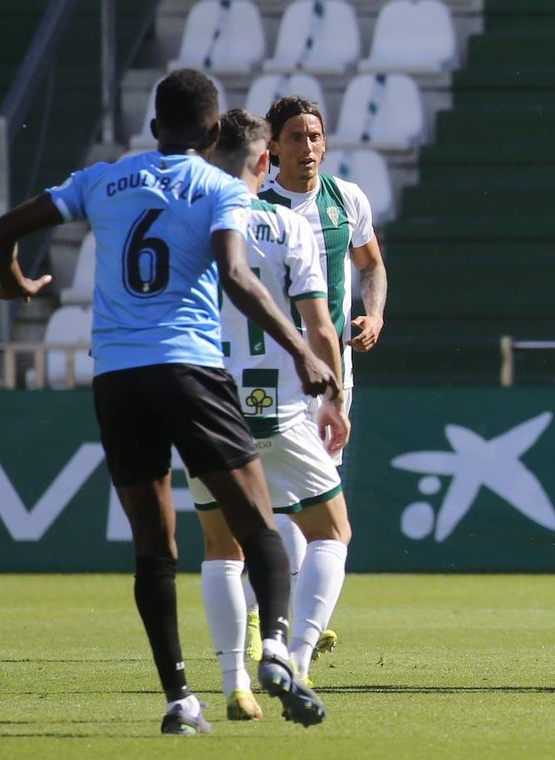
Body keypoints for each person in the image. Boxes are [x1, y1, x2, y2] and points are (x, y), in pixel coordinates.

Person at [0, 70, 331, 734]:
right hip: (189, 371)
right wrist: (301, 351)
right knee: (258, 524)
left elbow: (2, 231)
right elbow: (236, 276)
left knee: (155, 548)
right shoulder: (218, 186)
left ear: (152, 129)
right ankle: (276, 651)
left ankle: (180, 700)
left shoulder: (102, 179)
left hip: (118, 378)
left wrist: (14, 283)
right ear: (213, 132)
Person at [194, 109, 353, 721]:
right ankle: (296, 660)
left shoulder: (191, 222)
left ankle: (234, 685)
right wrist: (333, 396)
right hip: (278, 406)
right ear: (266, 160)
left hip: (205, 402)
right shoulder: (288, 225)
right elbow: (320, 326)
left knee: (221, 546)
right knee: (331, 531)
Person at [252, 94, 388, 661]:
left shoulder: (346, 199)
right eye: (295, 137)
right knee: (283, 494)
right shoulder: (257, 208)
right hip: (270, 373)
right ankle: (279, 613)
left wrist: (374, 314)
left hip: (334, 372)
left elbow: (371, 265)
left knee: (319, 488)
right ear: (273, 147)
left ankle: (288, 610)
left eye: (315, 136)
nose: (307, 146)